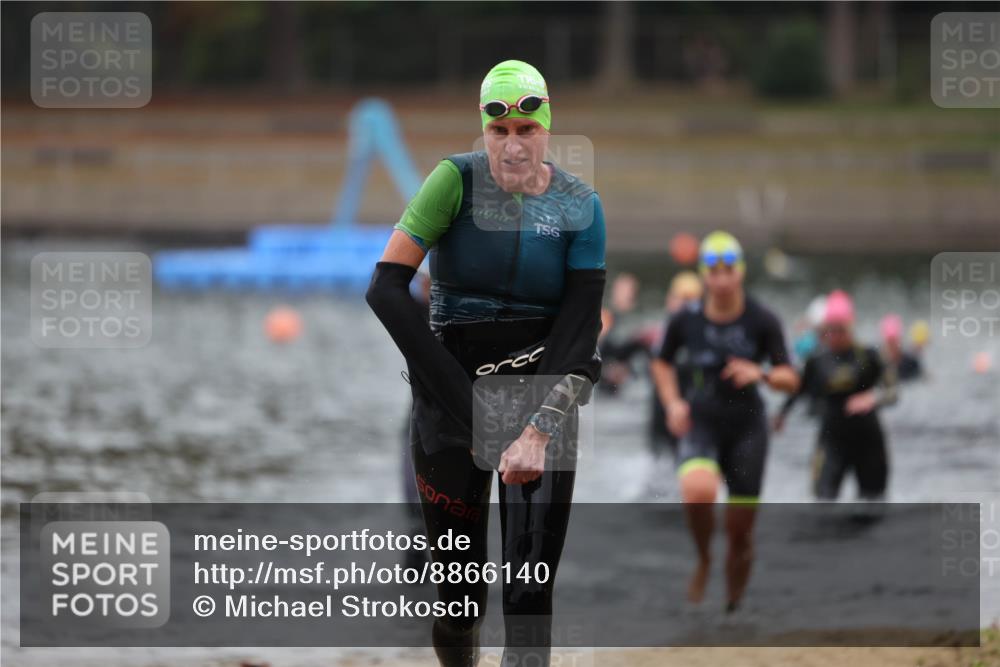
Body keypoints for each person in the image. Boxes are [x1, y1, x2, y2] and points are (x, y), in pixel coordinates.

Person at [366, 60, 606, 667]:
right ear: (484, 130)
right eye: (500, 131)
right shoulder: (454, 182)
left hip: (540, 407)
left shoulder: (581, 206)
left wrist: (534, 432)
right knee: (458, 601)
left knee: (528, 598)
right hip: (450, 408)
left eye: (527, 129)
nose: (513, 145)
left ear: (546, 127)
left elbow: (580, 336)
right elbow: (386, 288)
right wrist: (465, 407)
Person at [651, 231, 799, 612]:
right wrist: (672, 404)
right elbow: (661, 362)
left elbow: (790, 378)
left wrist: (760, 374)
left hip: (748, 425)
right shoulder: (686, 318)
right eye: (713, 270)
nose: (721, 278)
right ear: (703, 274)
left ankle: (733, 605)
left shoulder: (761, 319)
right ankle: (703, 558)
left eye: (728, 269)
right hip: (702, 418)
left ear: (741, 272)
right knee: (697, 490)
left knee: (740, 533)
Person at [774, 291, 898, 501]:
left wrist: (872, 398)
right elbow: (798, 390)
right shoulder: (817, 360)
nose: (836, 336)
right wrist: (781, 415)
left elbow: (893, 391)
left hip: (868, 440)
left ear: (851, 326)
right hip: (832, 440)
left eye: (841, 330)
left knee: (873, 505)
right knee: (823, 502)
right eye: (831, 330)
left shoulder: (868, 356)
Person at [880, 313, 922, 382]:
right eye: (890, 342)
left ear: (900, 340)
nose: (892, 346)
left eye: (895, 341)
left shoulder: (911, 364)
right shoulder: (878, 366)